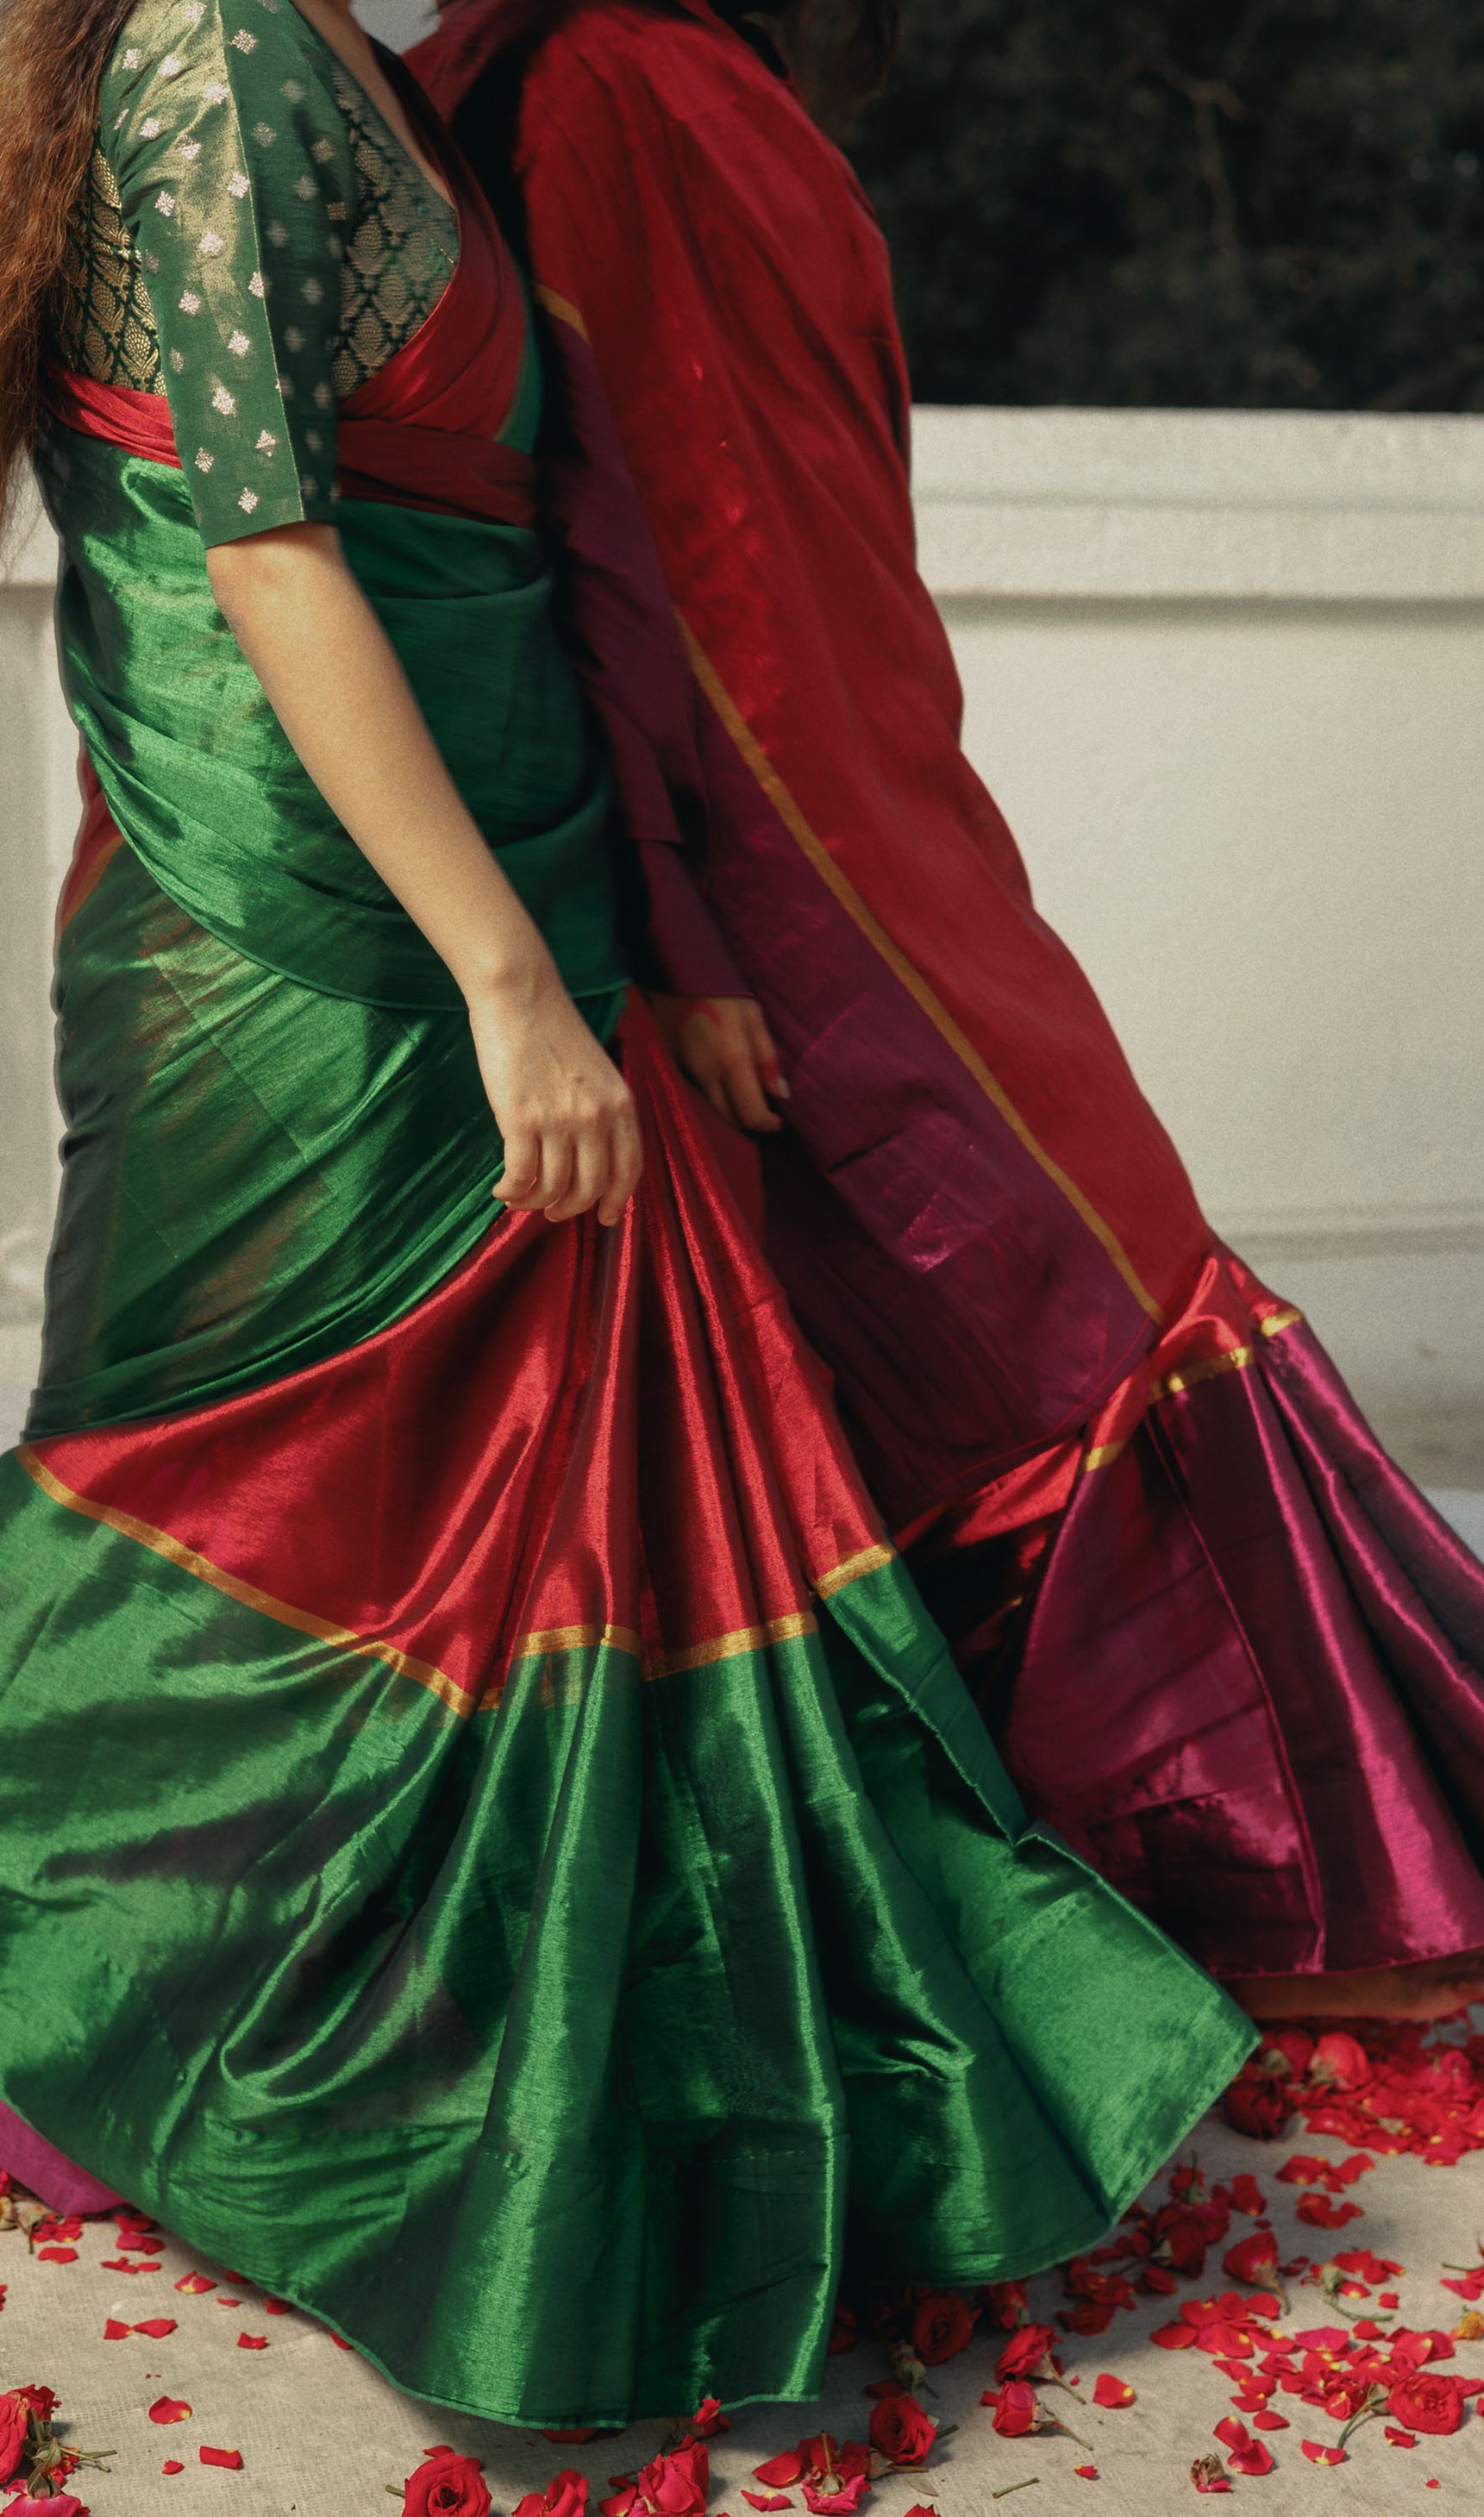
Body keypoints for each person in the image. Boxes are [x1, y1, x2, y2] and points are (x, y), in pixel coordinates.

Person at [0, 0, 1257, 2427]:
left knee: (522, 1541)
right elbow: (266, 550)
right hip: (325, 944)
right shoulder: (215, 52)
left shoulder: (365, 65)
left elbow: (534, 532)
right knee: (280, 1510)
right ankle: (160, 2026)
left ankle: (469, 2074)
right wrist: (504, 983)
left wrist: (631, 944)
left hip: (504, 887)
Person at [411, 0, 1484, 2024]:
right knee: (1055, 1277)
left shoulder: (686, 74)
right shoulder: (597, 87)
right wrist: (686, 922)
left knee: (1036, 1276)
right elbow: (638, 539)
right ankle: (1227, 1885)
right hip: (771, 839)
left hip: (870, 778)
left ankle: (1181, 1877)